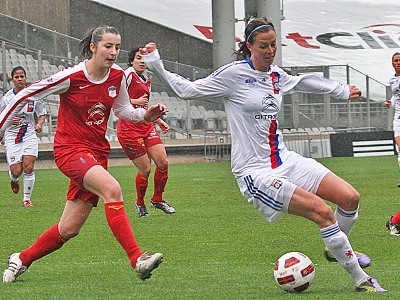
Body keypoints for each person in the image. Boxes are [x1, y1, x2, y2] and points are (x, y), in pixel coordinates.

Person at [140, 17, 386, 292]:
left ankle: (337, 247)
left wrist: (340, 90)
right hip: (255, 173)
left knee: (350, 198)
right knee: (323, 212)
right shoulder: (233, 75)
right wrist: (156, 66)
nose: (269, 52)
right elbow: (187, 90)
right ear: (248, 46)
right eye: (263, 46)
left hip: (284, 160)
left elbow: (303, 82)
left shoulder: (276, 75)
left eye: (273, 46)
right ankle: (361, 280)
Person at [1, 25, 166, 283]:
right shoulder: (72, 76)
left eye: (117, 47)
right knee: (112, 189)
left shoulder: (118, 76)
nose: (113, 52)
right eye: (108, 46)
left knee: (69, 229)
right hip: (70, 151)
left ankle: (21, 259)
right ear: (93, 47)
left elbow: (123, 110)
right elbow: (25, 93)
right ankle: (138, 258)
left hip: (96, 155)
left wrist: (145, 116)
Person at [117, 47, 175, 217]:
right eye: (138, 58)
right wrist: (134, 100)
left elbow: (143, 108)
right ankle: (140, 203)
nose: (142, 61)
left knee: (163, 163)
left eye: (144, 58)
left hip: (145, 125)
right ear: (131, 61)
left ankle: (157, 199)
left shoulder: (146, 80)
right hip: (129, 129)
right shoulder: (126, 75)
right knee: (146, 170)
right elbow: (114, 99)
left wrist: (158, 120)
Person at [0, 66, 47, 207]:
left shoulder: (33, 96)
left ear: (25, 78)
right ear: (12, 79)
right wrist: (8, 121)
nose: (20, 79)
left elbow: (42, 113)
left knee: (28, 167)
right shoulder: (6, 99)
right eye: (17, 77)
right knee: (16, 171)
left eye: (22, 76)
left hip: (28, 134)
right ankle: (14, 179)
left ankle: (26, 199)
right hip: (12, 136)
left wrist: (39, 124)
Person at [385, 52, 400, 185]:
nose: (398, 62)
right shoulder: (392, 80)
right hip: (398, 119)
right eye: (396, 60)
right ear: (392, 63)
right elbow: (395, 97)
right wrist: (390, 103)